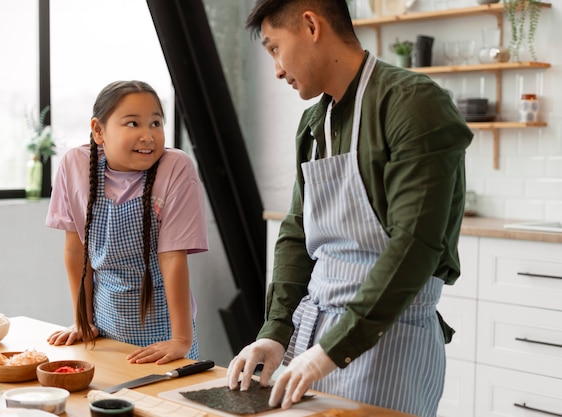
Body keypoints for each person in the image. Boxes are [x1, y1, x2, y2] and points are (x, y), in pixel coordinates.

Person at [226, 1, 473, 416]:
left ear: (310, 25)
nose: (277, 70)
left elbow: (415, 245)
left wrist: (330, 351)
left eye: (274, 48)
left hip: (388, 342)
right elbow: (296, 234)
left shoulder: (414, 103)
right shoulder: (314, 124)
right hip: (311, 341)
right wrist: (276, 332)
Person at [45, 80, 208, 365]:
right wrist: (82, 321)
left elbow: (172, 256)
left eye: (156, 123)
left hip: (164, 329)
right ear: (99, 131)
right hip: (104, 324)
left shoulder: (176, 168)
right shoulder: (75, 165)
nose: (148, 135)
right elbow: (75, 250)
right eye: (133, 124)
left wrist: (181, 340)